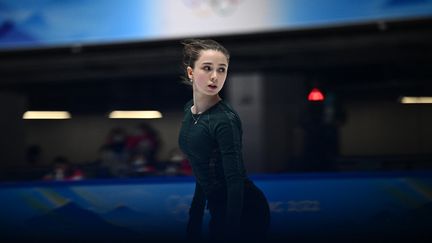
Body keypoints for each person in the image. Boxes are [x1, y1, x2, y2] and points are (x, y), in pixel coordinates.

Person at [178, 39, 270, 242]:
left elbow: (234, 180)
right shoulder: (188, 111)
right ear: (191, 73)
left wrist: (230, 228)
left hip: (243, 209)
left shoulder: (224, 119)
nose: (215, 76)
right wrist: (194, 221)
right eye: (207, 68)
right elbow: (202, 172)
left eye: (222, 70)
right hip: (219, 206)